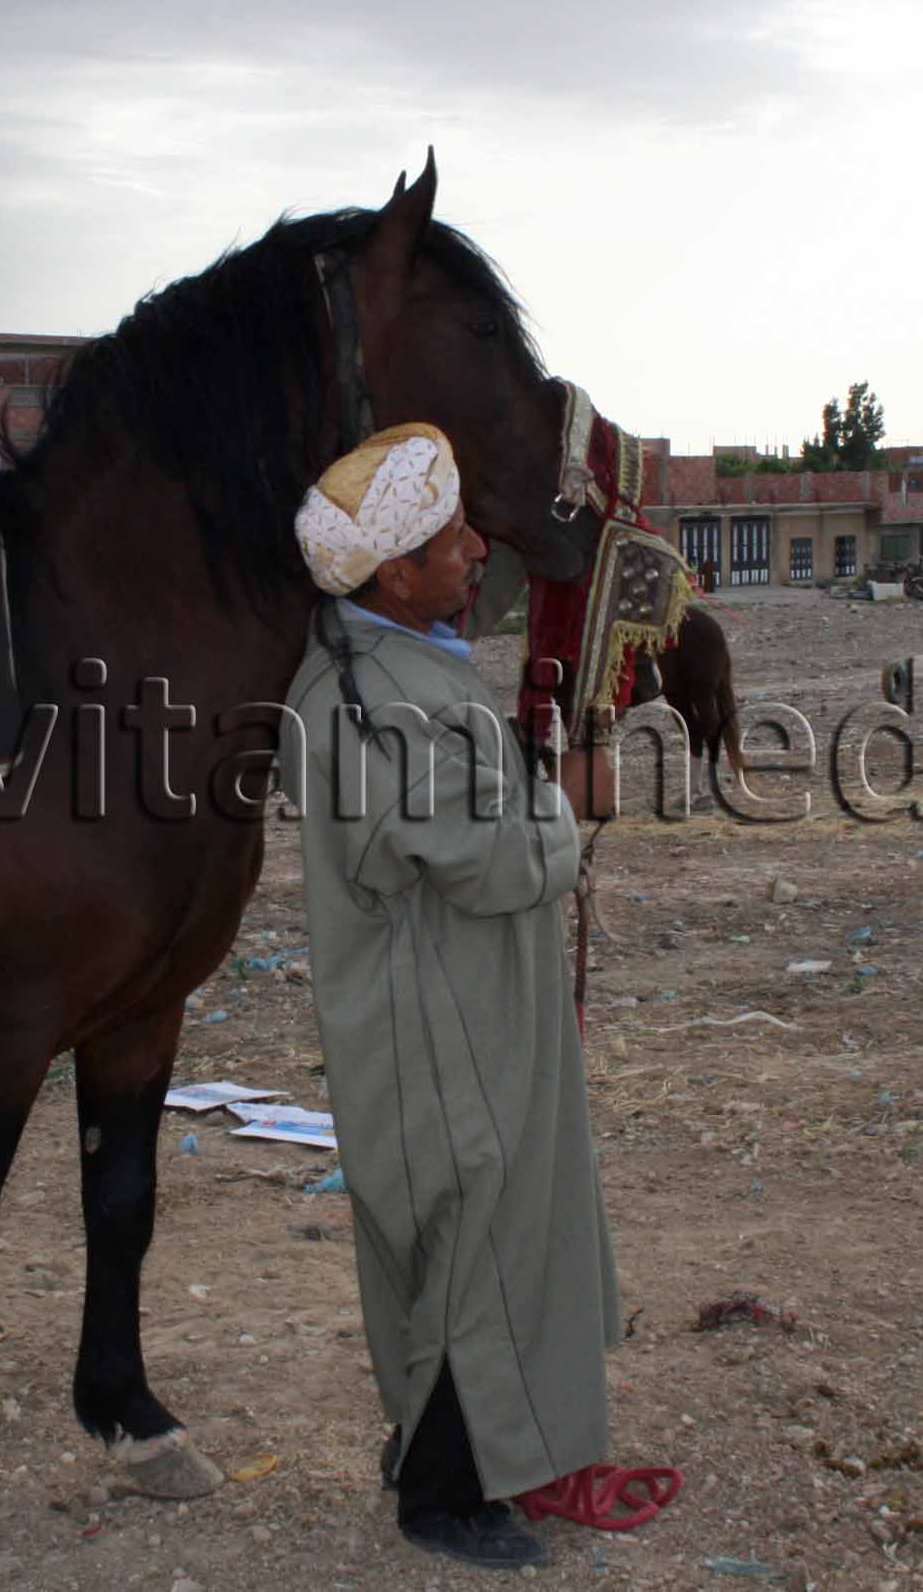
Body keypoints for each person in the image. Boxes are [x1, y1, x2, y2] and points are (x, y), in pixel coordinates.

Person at [278, 423, 628, 1571]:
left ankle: (444, 1448)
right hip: (437, 1014)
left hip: (458, 997)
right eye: (453, 538)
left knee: (459, 1231)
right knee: (475, 1225)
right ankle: (444, 1492)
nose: (479, 550)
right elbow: (482, 855)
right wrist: (566, 801)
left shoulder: (386, 650)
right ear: (393, 573)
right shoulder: (372, 694)